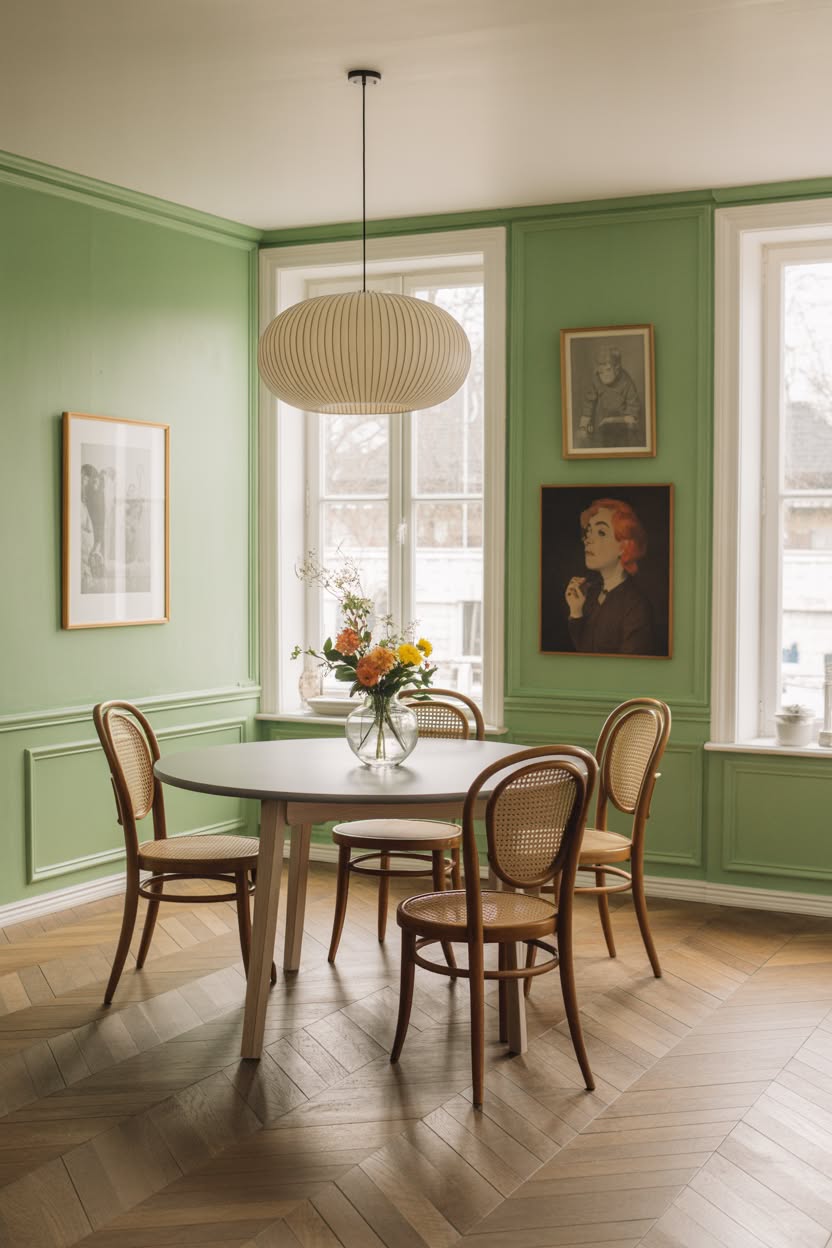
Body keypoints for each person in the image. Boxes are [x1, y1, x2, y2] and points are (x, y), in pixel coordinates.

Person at [565, 498, 655, 654]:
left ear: (624, 546)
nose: (587, 540)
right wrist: (575, 611)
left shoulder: (636, 607)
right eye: (589, 531)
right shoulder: (590, 593)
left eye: (601, 532)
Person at [579, 346, 642, 447]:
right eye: (600, 371)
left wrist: (610, 420)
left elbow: (633, 417)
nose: (603, 375)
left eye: (608, 370)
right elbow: (588, 403)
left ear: (617, 369)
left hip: (623, 428)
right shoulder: (596, 379)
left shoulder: (627, 383)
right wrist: (583, 426)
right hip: (600, 427)